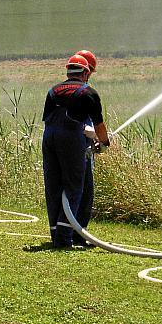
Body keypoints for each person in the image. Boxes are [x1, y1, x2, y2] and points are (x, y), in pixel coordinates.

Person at [41, 54, 110, 249]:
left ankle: (57, 234)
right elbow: (99, 126)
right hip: (71, 140)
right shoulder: (89, 92)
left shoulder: (53, 91)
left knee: (54, 188)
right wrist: (104, 143)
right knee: (74, 187)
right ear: (86, 72)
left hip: (48, 139)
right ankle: (65, 238)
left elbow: (52, 120)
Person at [73, 49, 98, 246]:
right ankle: (79, 235)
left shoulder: (65, 90)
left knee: (74, 191)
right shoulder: (85, 93)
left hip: (76, 145)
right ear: (86, 71)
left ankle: (68, 233)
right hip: (82, 148)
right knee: (85, 191)